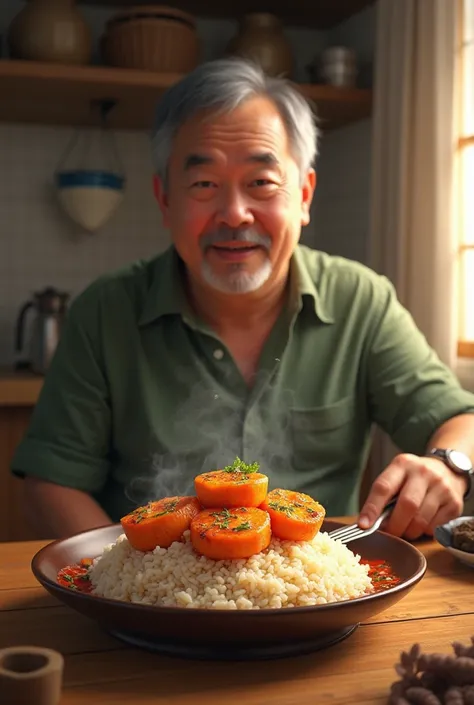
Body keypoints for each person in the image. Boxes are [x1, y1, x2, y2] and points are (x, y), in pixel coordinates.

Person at [11, 58, 474, 541]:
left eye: (261, 183)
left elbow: (459, 418)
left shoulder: (361, 299)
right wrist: (132, 579)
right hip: (149, 604)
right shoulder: (104, 311)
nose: (234, 214)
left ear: (304, 196)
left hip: (320, 600)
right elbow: (51, 483)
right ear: (164, 200)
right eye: (204, 185)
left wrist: (449, 465)